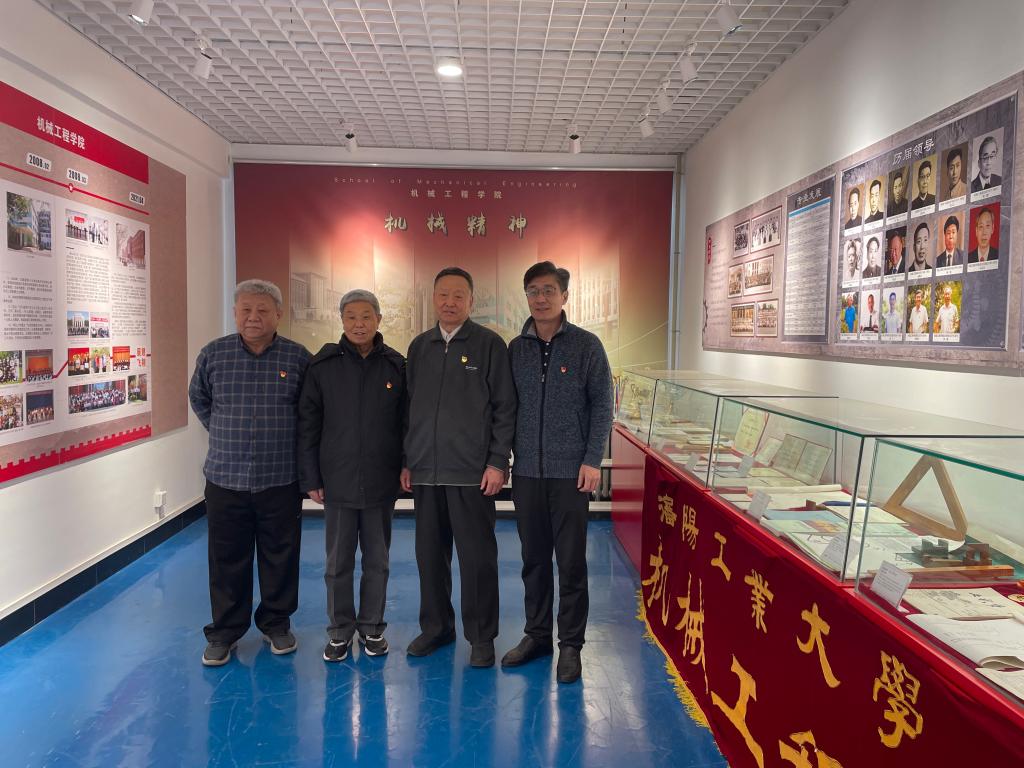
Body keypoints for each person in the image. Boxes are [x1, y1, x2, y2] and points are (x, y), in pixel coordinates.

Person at [189, 279, 311, 667]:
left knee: (281, 555)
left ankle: (276, 623)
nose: (253, 317)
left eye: (262, 310)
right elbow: (199, 398)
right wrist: (225, 432)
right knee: (227, 558)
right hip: (226, 478)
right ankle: (225, 631)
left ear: (278, 314)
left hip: (280, 478)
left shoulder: (297, 358)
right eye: (245, 309)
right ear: (235, 312)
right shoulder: (214, 354)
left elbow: (309, 413)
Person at [502, 262, 613, 684]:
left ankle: (570, 644)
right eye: (533, 291)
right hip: (527, 473)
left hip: (571, 473)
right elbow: (506, 408)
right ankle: (536, 636)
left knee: (570, 562)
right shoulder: (516, 349)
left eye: (549, 290)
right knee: (532, 560)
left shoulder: (586, 346)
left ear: (564, 296)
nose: (541, 298)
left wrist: (592, 459)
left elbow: (602, 404)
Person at [401, 267, 517, 668]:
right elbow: (409, 409)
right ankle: (436, 628)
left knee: (477, 559)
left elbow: (505, 408)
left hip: (472, 474)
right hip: (426, 473)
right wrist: (408, 460)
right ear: (434, 299)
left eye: (458, 295)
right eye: (443, 295)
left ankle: (482, 636)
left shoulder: (489, 345)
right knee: (429, 558)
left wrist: (498, 462)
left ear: (471, 301)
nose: (449, 302)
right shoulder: (420, 347)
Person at [297, 289, 406, 662]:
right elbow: (308, 425)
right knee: (337, 564)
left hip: (381, 481)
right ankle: (340, 631)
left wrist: (405, 465)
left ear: (378, 319)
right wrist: (311, 477)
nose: (359, 324)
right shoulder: (323, 366)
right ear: (341, 320)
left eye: (366, 316)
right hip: (338, 481)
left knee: (378, 561)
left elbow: (407, 424)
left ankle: (372, 628)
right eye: (351, 317)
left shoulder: (396, 366)